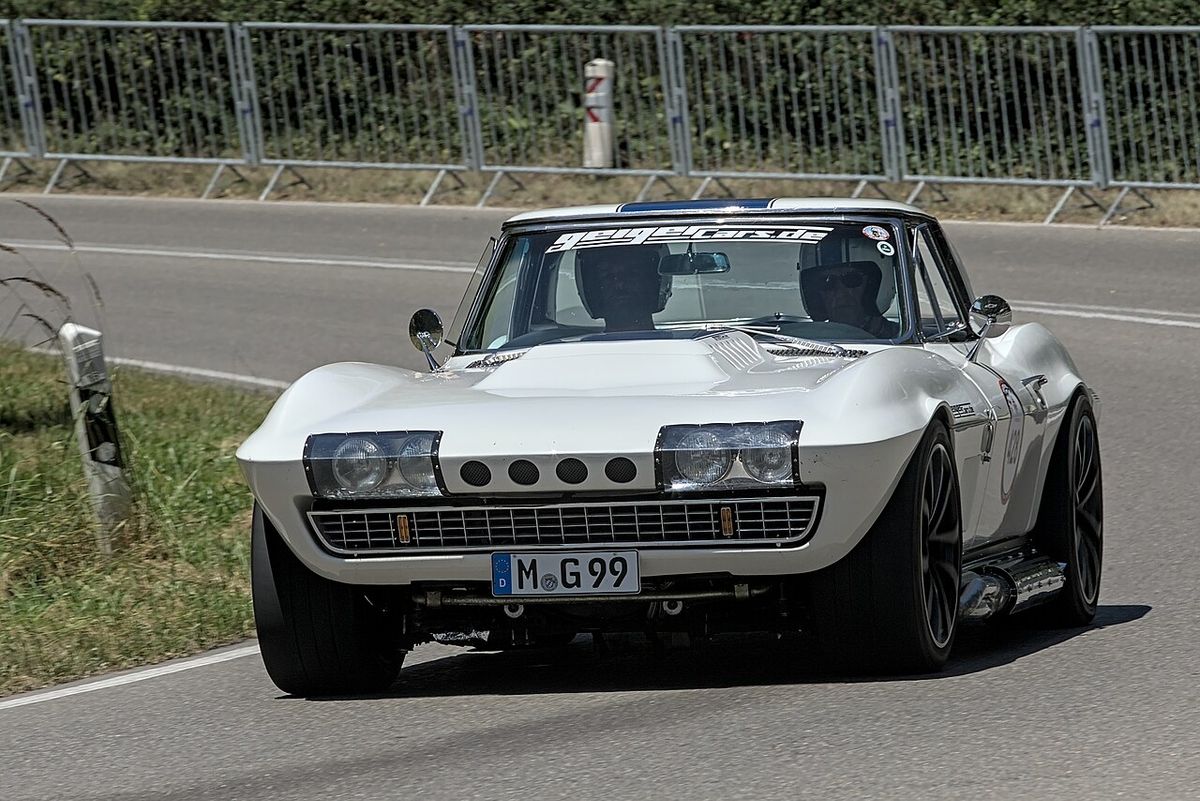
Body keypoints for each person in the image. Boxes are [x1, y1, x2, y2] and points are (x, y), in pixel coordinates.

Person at [575, 245, 672, 332]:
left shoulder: (678, 349)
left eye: (631, 274)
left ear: (651, 281)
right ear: (593, 288)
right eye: (608, 276)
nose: (620, 284)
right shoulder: (574, 350)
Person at [799, 260, 900, 338]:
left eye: (852, 279)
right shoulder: (807, 340)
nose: (841, 293)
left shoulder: (899, 339)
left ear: (871, 286)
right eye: (827, 282)